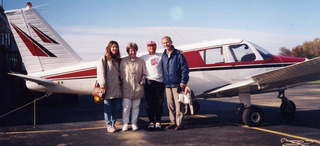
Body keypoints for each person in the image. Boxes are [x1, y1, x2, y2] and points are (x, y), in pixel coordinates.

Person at [160, 36, 189, 130]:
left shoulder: (178, 54)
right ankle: (172, 122)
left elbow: (185, 69)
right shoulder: (163, 55)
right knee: (170, 105)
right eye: (164, 43)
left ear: (171, 42)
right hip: (167, 85)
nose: (166, 44)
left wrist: (183, 82)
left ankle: (179, 123)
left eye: (167, 42)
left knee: (179, 105)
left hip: (177, 84)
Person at [120, 42, 147, 131]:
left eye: (134, 50)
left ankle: (134, 123)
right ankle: (125, 124)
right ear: (128, 51)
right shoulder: (123, 61)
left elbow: (144, 73)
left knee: (136, 107)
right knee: (126, 107)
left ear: (136, 50)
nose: (132, 52)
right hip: (126, 88)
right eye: (130, 50)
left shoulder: (141, 61)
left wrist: (142, 80)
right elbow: (119, 74)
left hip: (138, 88)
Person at [97, 40, 122, 133]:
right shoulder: (103, 58)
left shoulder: (118, 60)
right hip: (107, 88)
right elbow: (100, 73)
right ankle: (109, 125)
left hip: (117, 88)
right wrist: (102, 85)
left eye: (116, 47)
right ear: (109, 48)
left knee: (117, 108)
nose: (115, 48)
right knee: (108, 108)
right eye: (113, 47)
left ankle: (113, 123)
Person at [141, 41, 164, 130]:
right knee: (149, 104)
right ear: (147, 48)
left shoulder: (161, 55)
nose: (151, 48)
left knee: (159, 103)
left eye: (153, 46)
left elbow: (172, 54)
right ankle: (151, 121)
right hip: (148, 82)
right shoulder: (143, 57)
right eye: (149, 46)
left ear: (156, 47)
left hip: (159, 82)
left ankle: (158, 121)